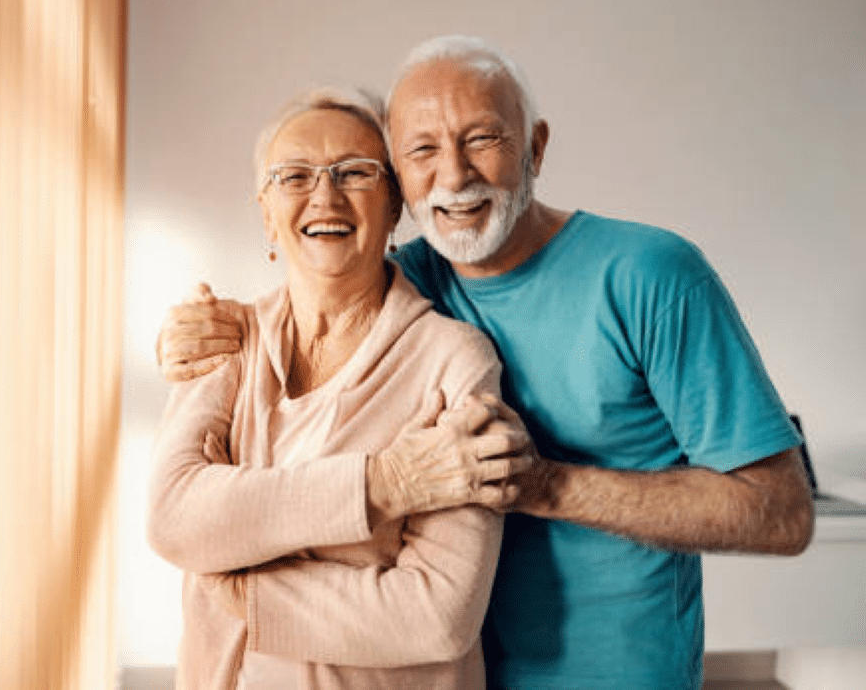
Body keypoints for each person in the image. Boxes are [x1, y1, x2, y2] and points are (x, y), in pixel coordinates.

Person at [156, 36, 816, 690]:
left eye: (482, 139)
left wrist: (545, 485)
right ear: (401, 180)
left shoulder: (651, 275)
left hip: (613, 672)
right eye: (422, 150)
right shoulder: (412, 278)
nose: (453, 176)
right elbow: (322, 274)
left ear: (535, 147)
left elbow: (782, 512)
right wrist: (188, 336)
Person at [147, 86, 532, 690]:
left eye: (354, 172)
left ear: (394, 204)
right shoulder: (224, 339)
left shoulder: (454, 359)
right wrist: (387, 483)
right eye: (294, 176)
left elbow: (437, 616)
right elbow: (173, 519)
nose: (324, 196)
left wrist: (243, 589)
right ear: (266, 212)